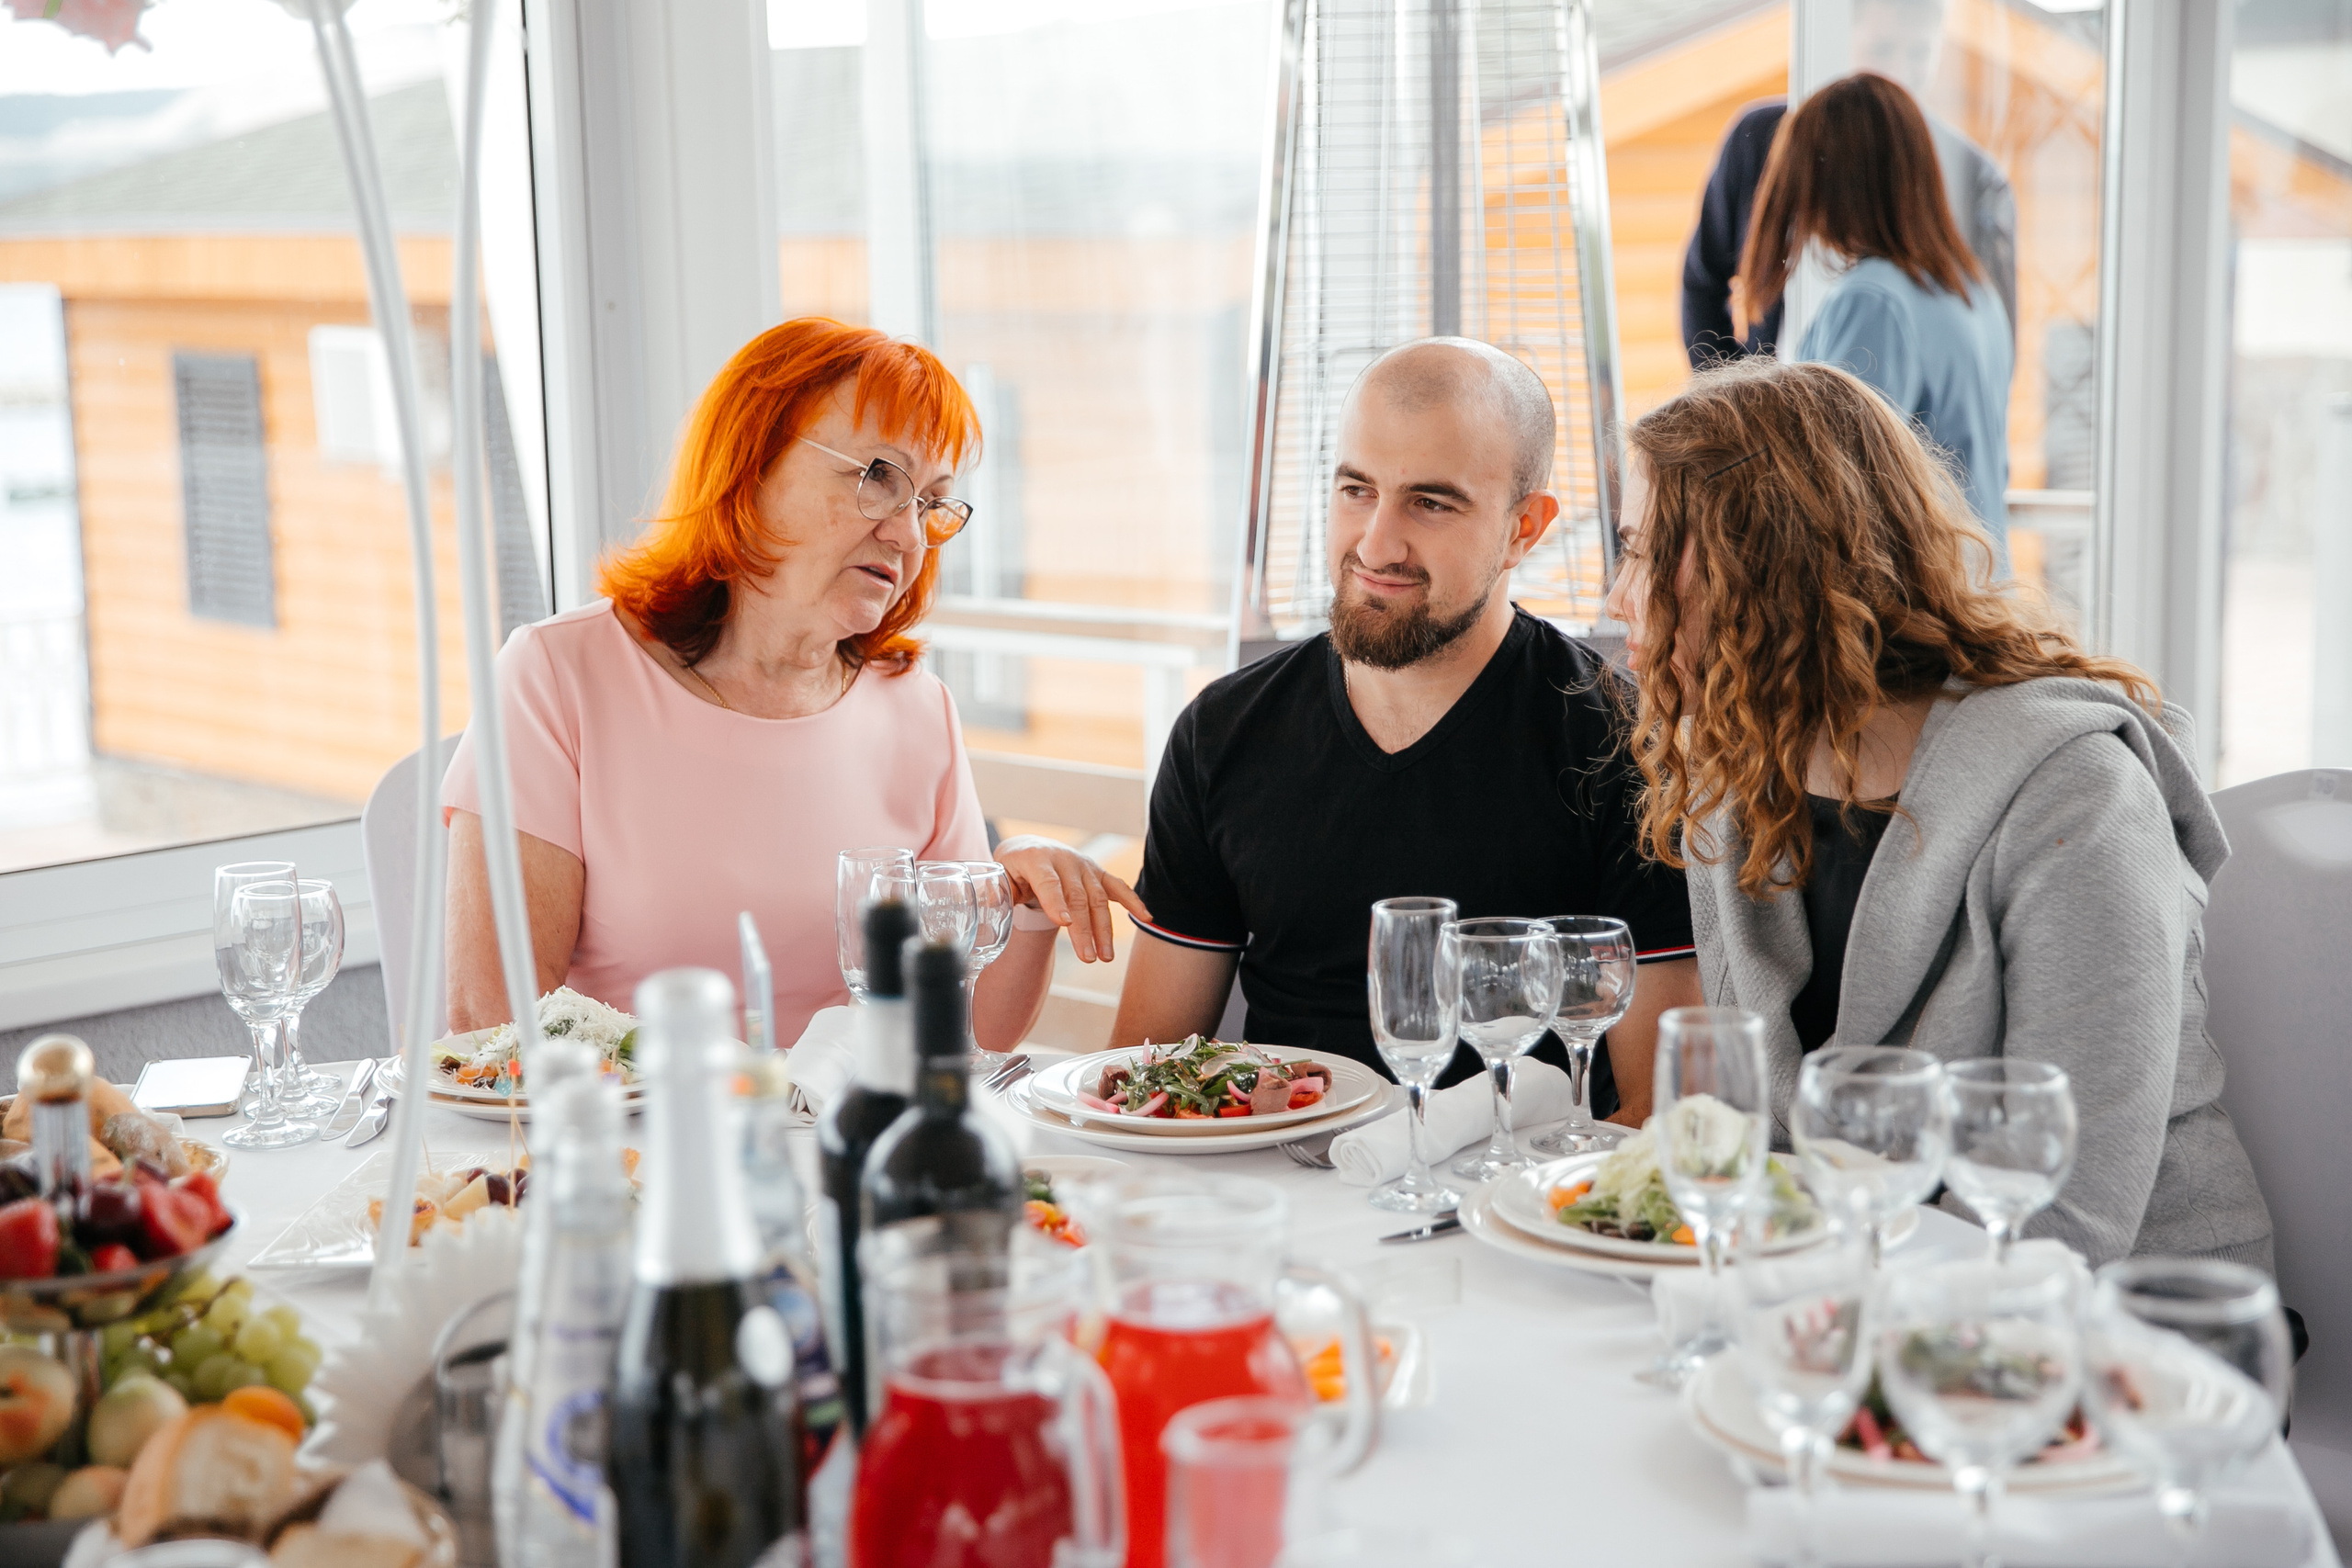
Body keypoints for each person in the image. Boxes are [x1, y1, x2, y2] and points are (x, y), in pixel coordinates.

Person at [1600, 355, 2274, 1269]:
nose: (1617, 596)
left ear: (1765, 565)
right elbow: (1760, 1143)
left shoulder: (2073, 796)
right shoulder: (1738, 768)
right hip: (1846, 1284)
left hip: (2125, 1319)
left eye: (1644, 549)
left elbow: (2063, 1214)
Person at [442, 318, 1143, 1049]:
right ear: (751, 465)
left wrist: (1025, 900)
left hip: (852, 1148)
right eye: (880, 477)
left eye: (931, 503)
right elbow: (493, 1021)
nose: (908, 535)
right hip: (639, 1147)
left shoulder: (917, 708)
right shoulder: (557, 676)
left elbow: (964, 1038)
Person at [1113, 338, 1702, 1117]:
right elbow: (1143, 1081)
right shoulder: (1220, 733)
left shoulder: (1627, 745)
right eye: (1357, 489)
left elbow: (1657, 1112)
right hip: (1270, 1195)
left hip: (1510, 1206)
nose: (1377, 543)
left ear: (1526, 527)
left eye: (1431, 502)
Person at [1740, 71, 2016, 555]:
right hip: (1976, 586)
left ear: (1834, 185)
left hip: (1910, 603)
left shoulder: (1874, 302)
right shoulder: (1972, 291)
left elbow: (1836, 493)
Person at [1680, 0, 2016, 365]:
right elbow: (1703, 281)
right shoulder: (1761, 141)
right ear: (1838, 39)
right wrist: (1735, 410)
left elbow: (1993, 341)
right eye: (1882, 48)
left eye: (1920, 52)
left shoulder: (1973, 178)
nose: (1899, 73)